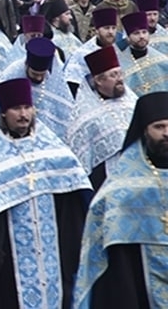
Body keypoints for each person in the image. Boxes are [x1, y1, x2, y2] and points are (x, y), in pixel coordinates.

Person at [0, 78, 91, 308]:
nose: (23, 114)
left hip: (55, 259)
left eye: (27, 108)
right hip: (8, 265)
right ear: (3, 114)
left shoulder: (54, 151)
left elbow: (73, 206)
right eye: (16, 109)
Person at [74, 91, 168, 308]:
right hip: (139, 282)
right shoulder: (121, 186)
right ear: (145, 130)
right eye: (159, 127)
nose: (166, 133)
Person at [65, 46, 136, 189]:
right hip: (105, 180)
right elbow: (82, 156)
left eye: (120, 74)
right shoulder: (85, 115)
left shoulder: (133, 102)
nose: (120, 79)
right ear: (98, 81)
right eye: (113, 75)